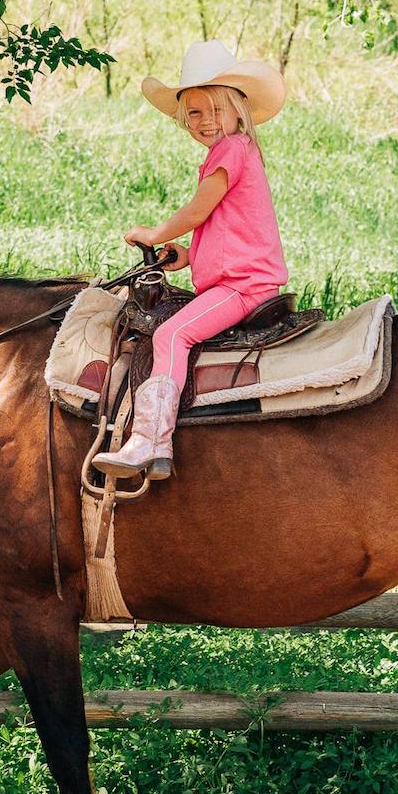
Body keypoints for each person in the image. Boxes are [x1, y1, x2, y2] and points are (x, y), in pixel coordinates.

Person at [95, 40, 288, 480]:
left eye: (215, 109)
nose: (205, 122)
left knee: (170, 336)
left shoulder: (230, 150)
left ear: (238, 109)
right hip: (236, 278)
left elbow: (199, 210)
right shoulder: (238, 151)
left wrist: (155, 234)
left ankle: (149, 440)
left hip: (242, 286)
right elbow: (223, 226)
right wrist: (187, 254)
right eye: (195, 113)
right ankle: (157, 445)